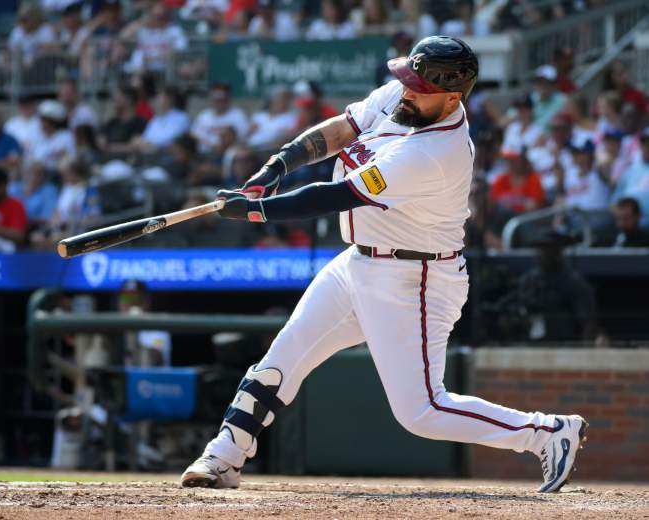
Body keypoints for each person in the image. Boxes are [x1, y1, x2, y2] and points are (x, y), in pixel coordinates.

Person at [180, 36, 587, 493]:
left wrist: (256, 211)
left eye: (421, 87)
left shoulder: (435, 153)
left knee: (422, 412)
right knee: (282, 358)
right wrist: (274, 169)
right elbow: (341, 130)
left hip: (414, 278)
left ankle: (547, 432)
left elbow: (336, 196)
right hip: (358, 262)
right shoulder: (407, 95)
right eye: (408, 80)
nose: (407, 90)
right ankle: (222, 457)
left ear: (452, 97)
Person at [121, 3, 189, 74]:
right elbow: (123, 37)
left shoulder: (173, 29)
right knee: (138, 58)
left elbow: (180, 49)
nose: (158, 19)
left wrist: (155, 57)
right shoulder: (143, 29)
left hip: (165, 67)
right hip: (140, 68)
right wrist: (141, 22)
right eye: (155, 16)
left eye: (161, 16)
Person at [191, 83, 249, 152]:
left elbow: (243, 136)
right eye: (217, 100)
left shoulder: (238, 114)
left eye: (222, 99)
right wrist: (211, 145)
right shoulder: (204, 115)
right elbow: (194, 135)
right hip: (203, 153)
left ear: (228, 99)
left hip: (228, 153)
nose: (219, 103)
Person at [612, 127, 649, 228]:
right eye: (645, 143)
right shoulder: (631, 170)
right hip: (629, 227)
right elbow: (615, 201)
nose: (647, 147)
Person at [558, 140, 609, 212]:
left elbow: (605, 162)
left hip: (597, 214)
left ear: (588, 154)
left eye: (577, 153)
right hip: (575, 216)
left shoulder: (599, 171)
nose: (574, 156)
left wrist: (595, 153)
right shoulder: (570, 175)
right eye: (573, 153)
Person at [490, 149, 545, 214]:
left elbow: (533, 206)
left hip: (525, 218)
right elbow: (492, 203)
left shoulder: (533, 179)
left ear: (523, 161)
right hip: (503, 217)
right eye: (508, 160)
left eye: (514, 160)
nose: (510, 163)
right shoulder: (500, 180)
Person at [8, 161, 58, 229]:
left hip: (35, 229)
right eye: (30, 172)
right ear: (24, 173)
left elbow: (47, 218)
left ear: (44, 176)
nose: (34, 176)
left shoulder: (49, 190)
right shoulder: (14, 188)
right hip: (11, 225)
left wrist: (22, 219)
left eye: (39, 174)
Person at [99, 86, 147, 155]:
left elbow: (134, 147)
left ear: (128, 100)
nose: (114, 100)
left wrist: (109, 147)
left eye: (118, 97)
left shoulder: (140, 123)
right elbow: (101, 143)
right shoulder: (111, 122)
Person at [29, 100, 75, 171]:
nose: (41, 123)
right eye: (41, 119)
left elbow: (71, 160)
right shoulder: (37, 136)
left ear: (53, 121)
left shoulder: (66, 136)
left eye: (44, 120)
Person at [531, 65, 567, 130]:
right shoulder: (531, 98)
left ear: (554, 84)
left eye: (546, 82)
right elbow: (512, 116)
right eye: (539, 81)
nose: (542, 85)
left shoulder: (563, 100)